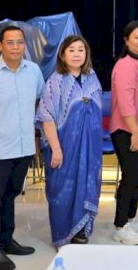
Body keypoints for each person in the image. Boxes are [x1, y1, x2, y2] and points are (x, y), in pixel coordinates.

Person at [0, 26, 45, 270]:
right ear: (0, 46)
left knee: (10, 196)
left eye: (20, 42)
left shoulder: (33, 71)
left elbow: (37, 101)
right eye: (10, 42)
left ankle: (6, 240)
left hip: (22, 149)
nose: (16, 47)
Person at [36, 35, 103, 247]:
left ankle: (81, 230)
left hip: (89, 148)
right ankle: (62, 235)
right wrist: (56, 149)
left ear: (86, 54)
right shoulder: (55, 82)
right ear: (63, 55)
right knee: (62, 191)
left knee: (87, 185)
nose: (76, 54)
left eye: (80, 50)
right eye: (71, 50)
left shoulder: (92, 78)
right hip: (63, 147)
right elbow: (46, 117)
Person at [109, 20, 138, 245]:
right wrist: (135, 132)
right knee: (130, 177)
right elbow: (126, 104)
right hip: (126, 130)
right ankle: (120, 225)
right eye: (137, 37)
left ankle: (130, 218)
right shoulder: (125, 65)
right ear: (126, 40)